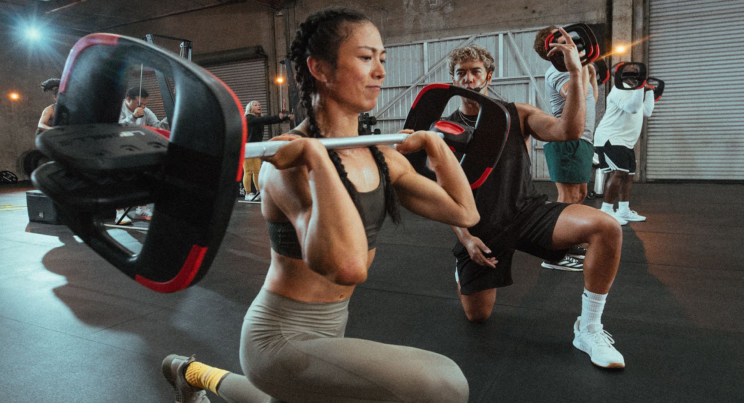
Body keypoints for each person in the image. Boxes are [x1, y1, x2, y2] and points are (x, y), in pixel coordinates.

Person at [161, 8, 478, 403]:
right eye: (366, 58)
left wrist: (435, 146)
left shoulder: (380, 156)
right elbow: (348, 267)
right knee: (444, 383)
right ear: (320, 69)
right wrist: (315, 158)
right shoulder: (287, 165)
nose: (380, 71)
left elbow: (465, 213)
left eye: (382, 59)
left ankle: (189, 372)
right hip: (279, 339)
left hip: (332, 329)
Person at [446, 38, 626, 368]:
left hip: (526, 212)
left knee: (607, 227)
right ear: (453, 79)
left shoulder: (517, 114)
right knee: (478, 317)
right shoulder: (444, 129)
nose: (468, 78)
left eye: (476, 71)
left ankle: (588, 329)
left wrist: (576, 73)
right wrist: (466, 238)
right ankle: (463, 270)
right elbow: (445, 193)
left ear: (488, 76)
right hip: (480, 226)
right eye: (461, 73)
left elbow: (569, 131)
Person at [532, 25, 601, 271]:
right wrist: (578, 69)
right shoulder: (558, 71)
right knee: (567, 197)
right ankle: (554, 255)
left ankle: (568, 243)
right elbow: (573, 95)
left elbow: (590, 100)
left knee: (579, 194)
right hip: (566, 141)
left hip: (582, 140)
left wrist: (588, 71)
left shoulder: (577, 69)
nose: (572, 42)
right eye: (563, 41)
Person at [594, 66, 655, 223]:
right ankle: (606, 211)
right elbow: (633, 109)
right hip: (611, 138)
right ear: (621, 75)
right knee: (618, 173)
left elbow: (646, 111)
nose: (635, 72)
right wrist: (641, 87)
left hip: (625, 142)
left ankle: (623, 210)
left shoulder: (633, 91)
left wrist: (649, 91)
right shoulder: (619, 90)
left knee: (628, 176)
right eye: (631, 70)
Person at [116, 86, 168, 223]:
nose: (143, 107)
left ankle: (141, 209)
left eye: (145, 104)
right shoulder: (117, 108)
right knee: (120, 180)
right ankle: (119, 213)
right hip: (119, 150)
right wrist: (133, 117)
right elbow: (116, 129)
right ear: (128, 99)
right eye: (140, 104)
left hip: (139, 149)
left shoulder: (146, 111)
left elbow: (157, 127)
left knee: (146, 177)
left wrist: (169, 118)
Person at [242, 101, 293, 202]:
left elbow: (269, 121)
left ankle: (258, 192)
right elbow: (264, 119)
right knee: (248, 171)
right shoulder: (248, 118)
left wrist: (284, 118)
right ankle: (247, 194)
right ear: (250, 108)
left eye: (259, 105)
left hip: (256, 147)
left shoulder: (258, 119)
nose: (259, 106)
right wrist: (278, 116)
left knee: (257, 171)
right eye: (256, 105)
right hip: (247, 148)